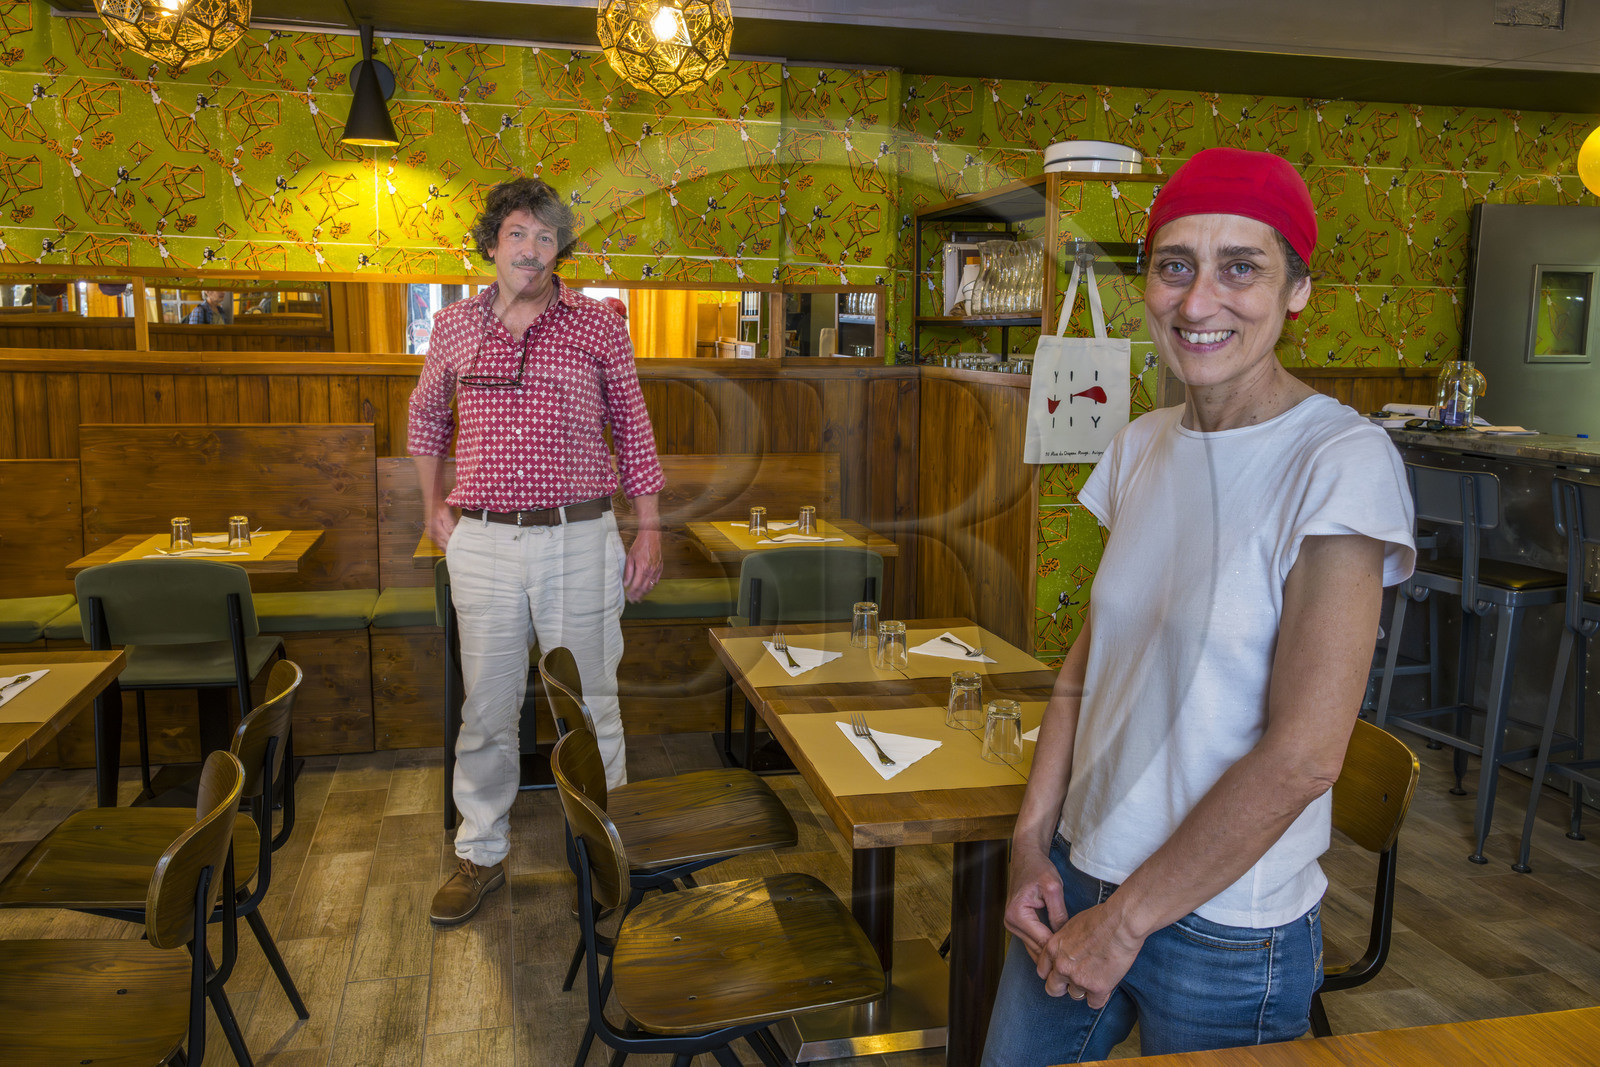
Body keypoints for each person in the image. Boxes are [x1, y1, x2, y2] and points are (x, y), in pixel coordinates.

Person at [982, 148, 1416, 1064]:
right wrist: (1031, 845)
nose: (1197, 299)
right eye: (1174, 264)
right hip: (1077, 877)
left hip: (1225, 926)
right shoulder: (1141, 444)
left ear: (1297, 290)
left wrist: (1125, 922)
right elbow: (1087, 667)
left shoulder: (1339, 459)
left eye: (1240, 268)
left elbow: (1303, 757)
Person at [408, 177, 665, 926]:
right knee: (487, 710)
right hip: (481, 539)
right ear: (492, 243)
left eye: (546, 236)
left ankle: (601, 850)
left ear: (561, 250)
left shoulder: (598, 325)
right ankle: (480, 852)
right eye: (517, 233)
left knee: (590, 707)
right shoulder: (453, 326)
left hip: (581, 536)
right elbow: (426, 418)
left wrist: (647, 525)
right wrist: (430, 506)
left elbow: (635, 427)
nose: (531, 248)